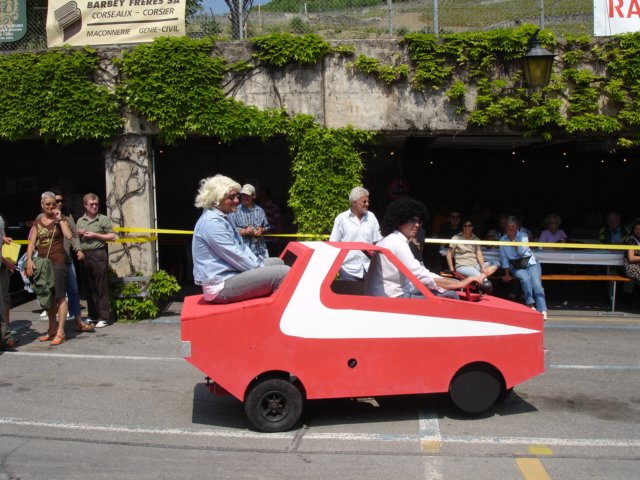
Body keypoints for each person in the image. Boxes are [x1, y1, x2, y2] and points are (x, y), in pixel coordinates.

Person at [192, 174, 290, 304]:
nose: (237, 200)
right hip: (220, 285)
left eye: (237, 196)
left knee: (278, 262)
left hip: (230, 274)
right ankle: (277, 311)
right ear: (216, 199)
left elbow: (240, 248)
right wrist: (259, 267)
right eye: (231, 197)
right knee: (283, 272)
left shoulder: (221, 216)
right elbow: (235, 255)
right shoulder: (212, 222)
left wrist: (259, 265)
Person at [365, 197, 485, 299]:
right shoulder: (397, 243)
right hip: (392, 298)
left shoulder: (391, 239)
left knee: (441, 291)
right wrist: (459, 284)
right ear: (399, 221)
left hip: (385, 294)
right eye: (412, 220)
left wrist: (454, 282)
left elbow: (419, 274)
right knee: (450, 295)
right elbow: (421, 276)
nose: (417, 225)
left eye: (419, 221)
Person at [25, 191, 74, 345]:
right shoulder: (37, 222)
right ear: (42, 205)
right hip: (43, 263)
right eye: (48, 204)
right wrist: (29, 260)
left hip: (58, 262)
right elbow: (31, 243)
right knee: (48, 296)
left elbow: (69, 236)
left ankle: (61, 331)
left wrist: (60, 219)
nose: (51, 206)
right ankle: (52, 329)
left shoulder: (61, 219)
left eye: (54, 204)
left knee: (60, 296)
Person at [51, 191, 94, 333]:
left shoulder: (67, 218)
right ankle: (53, 326)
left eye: (61, 201)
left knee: (73, 291)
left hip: (67, 260)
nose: (59, 203)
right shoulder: (45, 218)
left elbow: (74, 236)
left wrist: (78, 249)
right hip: (51, 261)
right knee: (54, 293)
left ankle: (78, 321)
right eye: (56, 201)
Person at [76, 193, 116, 328]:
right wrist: (79, 234)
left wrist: (95, 235)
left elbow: (112, 236)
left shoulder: (103, 219)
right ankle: (93, 315)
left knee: (101, 286)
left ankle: (104, 317)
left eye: (96, 204)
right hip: (84, 255)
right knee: (89, 286)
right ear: (85, 206)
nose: (94, 206)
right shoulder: (80, 220)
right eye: (91, 204)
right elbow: (74, 238)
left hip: (98, 254)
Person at [499, 216, 548, 319]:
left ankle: (542, 309)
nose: (511, 229)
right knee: (525, 280)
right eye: (509, 227)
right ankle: (530, 304)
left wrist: (513, 240)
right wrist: (507, 273)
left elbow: (521, 252)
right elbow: (504, 258)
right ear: (506, 228)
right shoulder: (502, 240)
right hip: (516, 266)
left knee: (536, 283)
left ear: (517, 227)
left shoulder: (523, 236)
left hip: (530, 262)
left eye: (513, 226)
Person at [329, 186, 382, 281]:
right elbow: (333, 244)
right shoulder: (341, 219)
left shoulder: (371, 217)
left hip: (369, 269)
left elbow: (377, 242)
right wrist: (339, 267)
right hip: (348, 271)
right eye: (364, 202)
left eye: (368, 201)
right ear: (354, 203)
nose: (367, 204)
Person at [229, 184, 270, 263]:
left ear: (253, 196)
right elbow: (230, 229)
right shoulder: (235, 210)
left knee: (263, 270)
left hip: (260, 250)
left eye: (247, 195)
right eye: (243, 195)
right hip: (243, 251)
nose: (244, 197)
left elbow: (267, 227)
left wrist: (262, 230)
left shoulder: (260, 210)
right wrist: (244, 231)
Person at [1, 214, 16, 349]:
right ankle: (5, 337)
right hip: (3, 262)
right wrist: (7, 262)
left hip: (2, 265)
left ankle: (6, 332)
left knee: (5, 298)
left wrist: (3, 238)